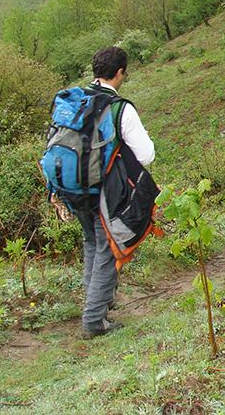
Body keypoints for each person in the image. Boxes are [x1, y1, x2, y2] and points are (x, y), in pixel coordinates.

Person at [76, 47, 155, 339]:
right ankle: (94, 321)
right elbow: (146, 155)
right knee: (108, 249)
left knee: (91, 242)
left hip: (74, 187)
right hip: (103, 190)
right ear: (120, 72)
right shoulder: (119, 107)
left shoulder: (76, 99)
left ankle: (96, 303)